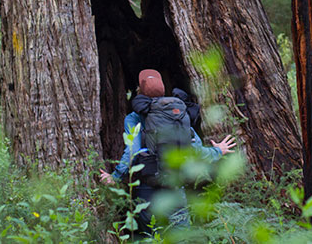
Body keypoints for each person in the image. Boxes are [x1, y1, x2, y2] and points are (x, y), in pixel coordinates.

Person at [99, 69, 237, 235]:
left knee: (151, 234)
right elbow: (194, 148)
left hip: (146, 186)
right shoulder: (177, 112)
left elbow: (132, 151)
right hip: (175, 183)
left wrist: (115, 178)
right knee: (182, 234)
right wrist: (217, 151)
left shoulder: (134, 118)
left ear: (139, 91)